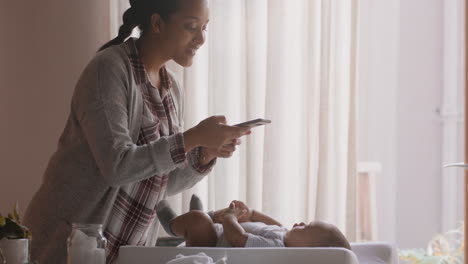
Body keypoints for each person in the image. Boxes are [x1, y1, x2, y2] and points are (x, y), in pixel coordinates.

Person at [23, 0, 251, 263]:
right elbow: (118, 167)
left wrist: (203, 154)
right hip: (68, 248)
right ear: (156, 23)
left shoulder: (172, 89)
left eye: (205, 28)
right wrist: (192, 138)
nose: (201, 39)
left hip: (128, 252)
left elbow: (158, 181)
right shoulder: (108, 70)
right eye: (191, 27)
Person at [156, 196, 351, 249]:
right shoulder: (283, 233)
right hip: (217, 231)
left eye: (306, 226)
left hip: (211, 244)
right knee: (224, 215)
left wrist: (230, 218)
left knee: (200, 221)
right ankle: (197, 216)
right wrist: (251, 213)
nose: (300, 222)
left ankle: (173, 226)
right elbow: (263, 219)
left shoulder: (276, 247)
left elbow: (238, 238)